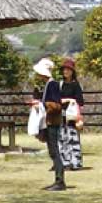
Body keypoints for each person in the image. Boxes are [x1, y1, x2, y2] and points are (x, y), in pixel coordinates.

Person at [34, 57, 67, 191]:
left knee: (54, 151)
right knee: (52, 151)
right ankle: (58, 180)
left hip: (52, 122)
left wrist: (42, 105)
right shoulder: (48, 85)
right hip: (50, 121)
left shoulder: (52, 85)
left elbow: (56, 105)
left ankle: (60, 181)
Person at [57, 57, 85, 170]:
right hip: (62, 114)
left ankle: (76, 162)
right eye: (64, 69)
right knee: (62, 138)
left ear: (72, 71)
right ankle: (65, 162)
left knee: (73, 138)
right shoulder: (60, 84)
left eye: (68, 69)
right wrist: (64, 100)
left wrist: (71, 102)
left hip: (72, 115)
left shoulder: (75, 85)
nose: (66, 72)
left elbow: (80, 101)